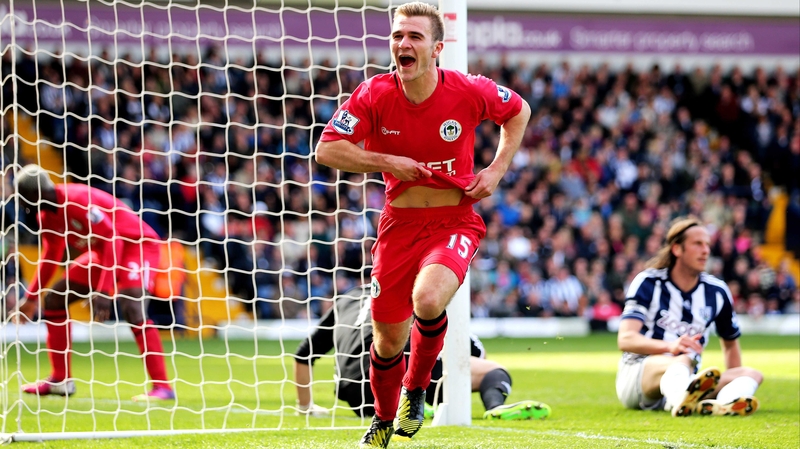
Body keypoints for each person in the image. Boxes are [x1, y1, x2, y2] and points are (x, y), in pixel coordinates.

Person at [314, 2, 530, 446]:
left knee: (429, 300)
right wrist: (385, 160)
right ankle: (383, 419)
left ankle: (416, 388)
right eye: (397, 36)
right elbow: (327, 149)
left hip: (453, 220)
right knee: (387, 337)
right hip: (399, 226)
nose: (403, 44)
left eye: (413, 36)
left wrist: (495, 170)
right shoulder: (374, 94)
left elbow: (519, 110)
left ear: (437, 47)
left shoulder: (468, 90)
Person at [10, 164, 175, 402]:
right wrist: (32, 298)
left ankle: (163, 387)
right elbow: (51, 255)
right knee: (55, 299)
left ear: (34, 195)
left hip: (136, 244)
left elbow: (114, 240)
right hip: (104, 252)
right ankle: (61, 379)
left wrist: (103, 290)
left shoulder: (77, 200)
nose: (21, 204)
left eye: (22, 198)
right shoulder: (46, 216)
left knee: (132, 307)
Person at [293, 286, 550, 421]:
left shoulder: (345, 300)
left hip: (355, 394)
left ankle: (406, 404)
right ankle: (494, 406)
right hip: (396, 367)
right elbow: (468, 349)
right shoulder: (411, 292)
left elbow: (303, 355)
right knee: (492, 369)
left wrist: (306, 407)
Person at [616, 216, 763, 418]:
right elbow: (625, 339)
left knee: (752, 375)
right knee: (682, 360)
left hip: (688, 378)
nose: (706, 251)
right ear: (677, 249)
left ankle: (719, 405)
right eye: (697, 244)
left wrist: (732, 379)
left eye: (707, 245)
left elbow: (730, 343)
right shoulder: (648, 282)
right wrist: (669, 347)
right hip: (639, 376)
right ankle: (679, 401)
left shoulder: (717, 291)